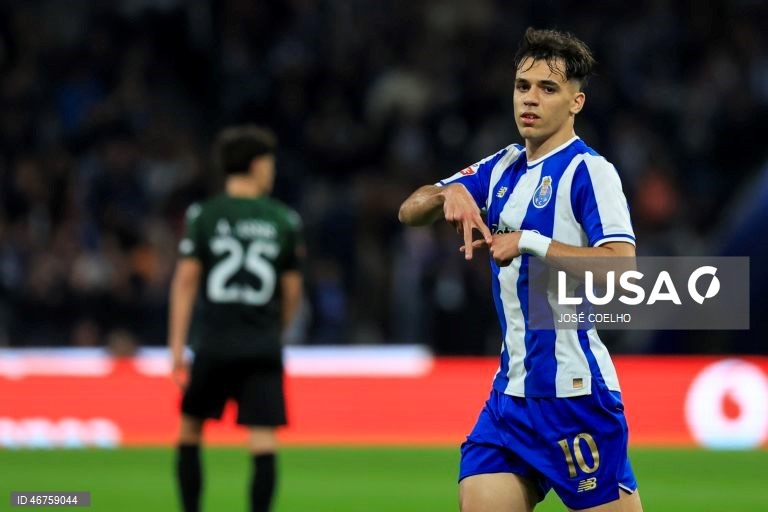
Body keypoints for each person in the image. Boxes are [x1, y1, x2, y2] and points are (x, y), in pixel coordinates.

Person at [398, 28, 643, 512]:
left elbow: (622, 269)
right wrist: (448, 193)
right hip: (510, 399)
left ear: (576, 102)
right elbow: (409, 210)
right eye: (522, 86)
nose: (530, 99)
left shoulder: (590, 172)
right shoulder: (503, 166)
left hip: (575, 398)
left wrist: (531, 242)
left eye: (547, 89)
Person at [168, 125, 304, 512]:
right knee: (263, 440)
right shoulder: (284, 219)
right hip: (261, 344)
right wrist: (275, 331)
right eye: (270, 162)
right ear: (256, 164)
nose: (272, 170)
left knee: (190, 430)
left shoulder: (204, 214)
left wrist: (177, 347)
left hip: (213, 342)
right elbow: (291, 291)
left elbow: (185, 282)